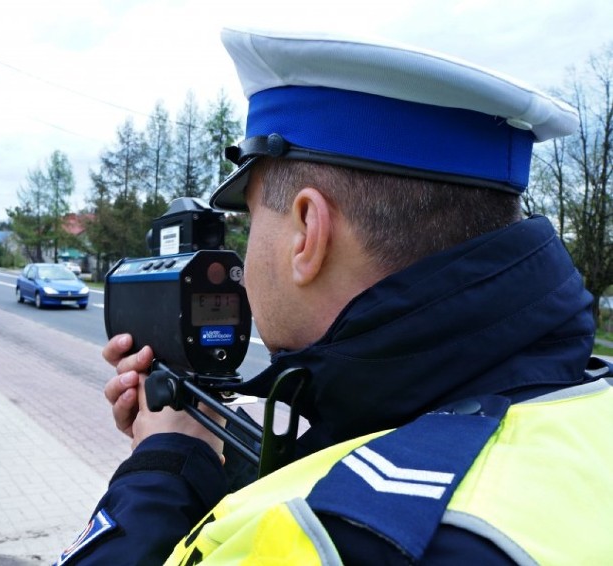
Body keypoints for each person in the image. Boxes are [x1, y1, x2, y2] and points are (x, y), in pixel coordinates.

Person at [56, 28, 613, 565]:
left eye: (251, 224)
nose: (244, 270)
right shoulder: (585, 403)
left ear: (307, 231)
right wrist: (217, 456)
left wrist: (163, 467)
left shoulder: (333, 536)